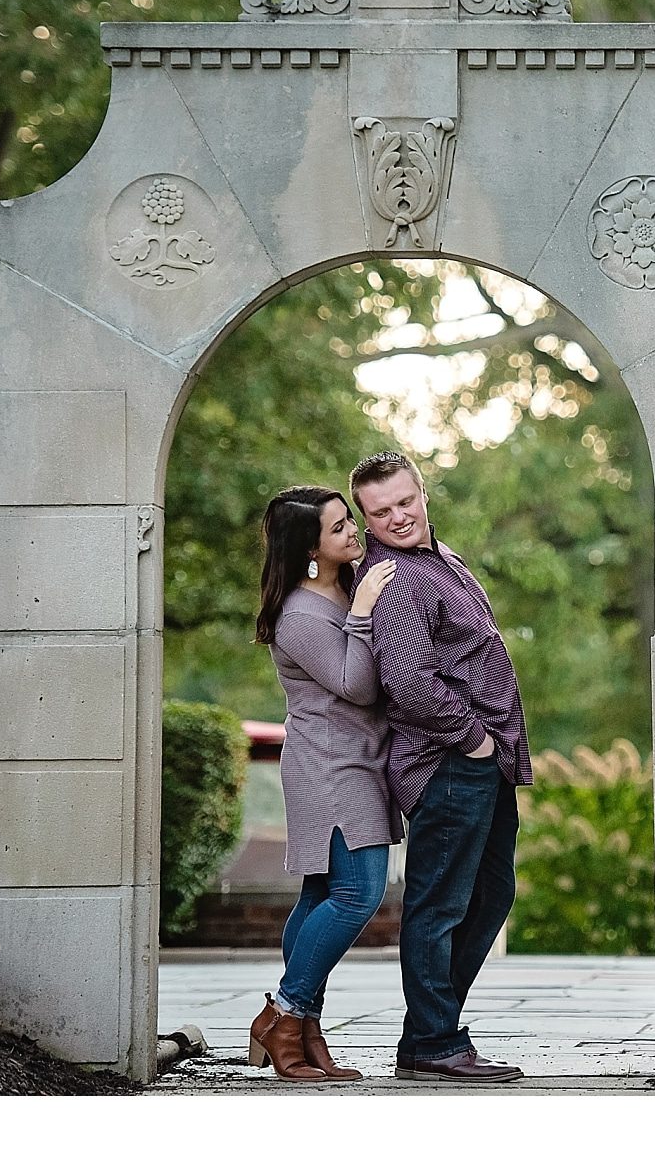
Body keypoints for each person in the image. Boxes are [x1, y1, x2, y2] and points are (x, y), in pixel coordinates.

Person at [351, 450, 533, 1083]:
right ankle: (434, 1041)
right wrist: (474, 739)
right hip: (448, 762)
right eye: (380, 512)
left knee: (490, 893)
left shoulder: (440, 559)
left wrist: (492, 750)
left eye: (405, 502)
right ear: (365, 518)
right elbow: (409, 680)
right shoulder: (395, 580)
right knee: (440, 903)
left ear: (422, 493)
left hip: (484, 760)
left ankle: (429, 1034)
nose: (397, 517)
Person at [245, 485, 400, 1083]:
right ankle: (283, 1013)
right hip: (330, 769)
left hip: (358, 761)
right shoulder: (302, 615)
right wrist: (361, 614)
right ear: (309, 547)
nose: (353, 533)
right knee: (357, 895)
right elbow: (356, 684)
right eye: (338, 529)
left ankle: (305, 1030)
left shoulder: (342, 587)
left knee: (319, 896)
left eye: (347, 522)